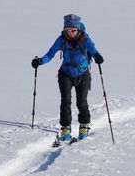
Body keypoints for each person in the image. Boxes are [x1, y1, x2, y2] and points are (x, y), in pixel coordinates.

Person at [33, 14, 103, 142]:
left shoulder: (84, 38)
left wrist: (98, 56)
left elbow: (93, 50)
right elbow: (50, 54)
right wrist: (40, 62)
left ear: (78, 29)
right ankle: (65, 127)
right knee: (65, 101)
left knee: (81, 101)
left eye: (73, 30)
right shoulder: (61, 39)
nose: (70, 33)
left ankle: (84, 125)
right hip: (65, 73)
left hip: (83, 73)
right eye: (68, 30)